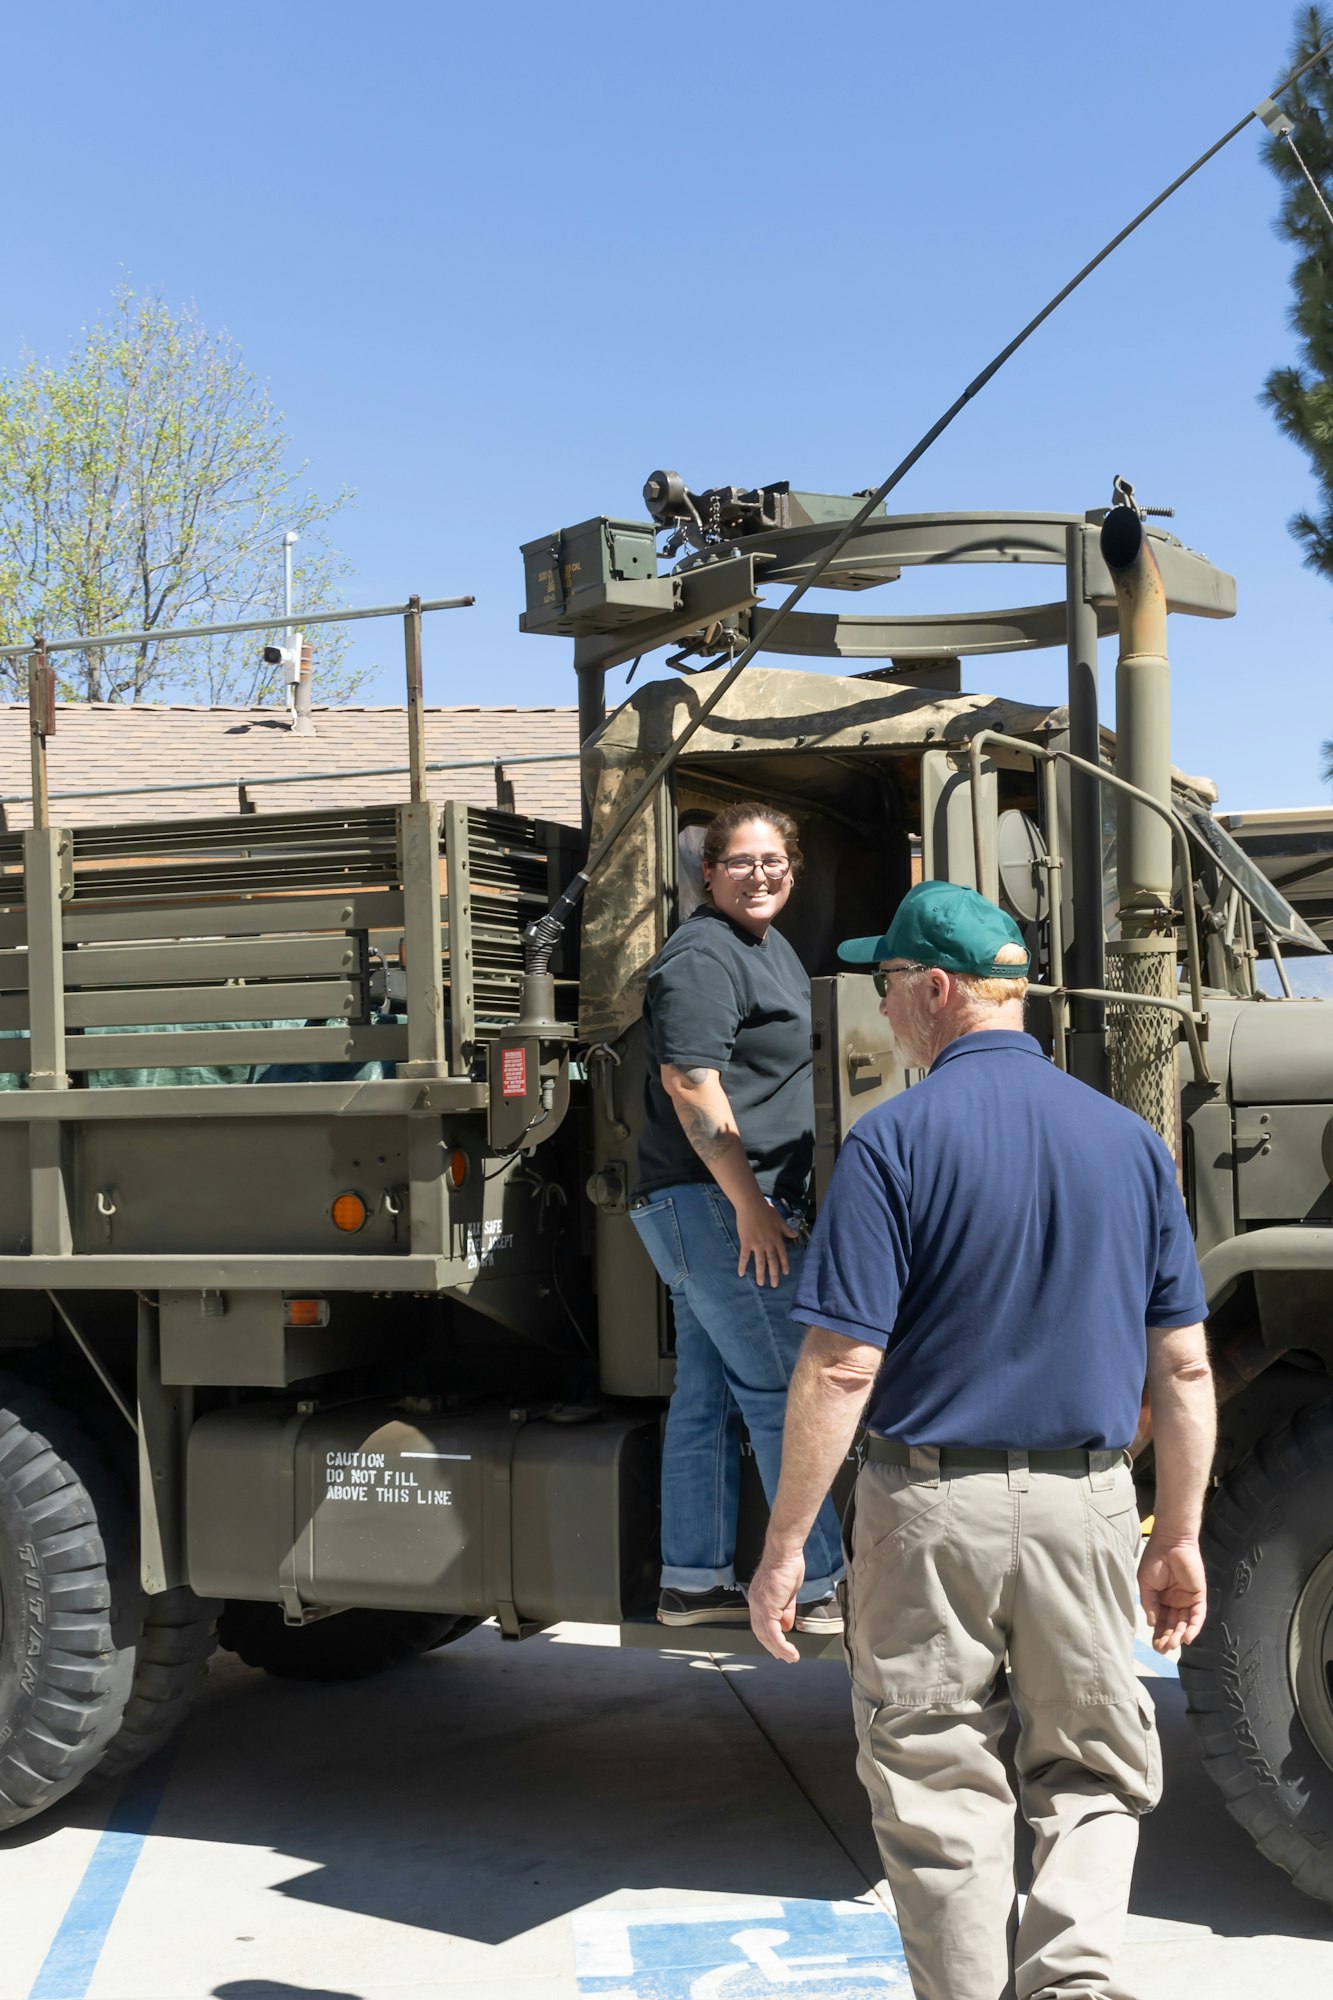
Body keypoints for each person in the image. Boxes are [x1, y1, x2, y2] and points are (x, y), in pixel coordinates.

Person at [748, 879, 1215, 2000]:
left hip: (927, 1510)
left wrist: (783, 1548)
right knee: (1095, 1768)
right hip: (1090, 1503)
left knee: (937, 1779)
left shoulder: (890, 1142)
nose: (884, 1011)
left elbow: (842, 1363)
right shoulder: (1126, 1142)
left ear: (937, 989)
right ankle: (1075, 1985)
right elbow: (1186, 1364)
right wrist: (1179, 1531)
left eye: (888, 987)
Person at [630, 801, 844, 1632]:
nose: (760, 874)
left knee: (708, 1392)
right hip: (715, 1202)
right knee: (782, 1386)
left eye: (774, 860)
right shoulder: (702, 955)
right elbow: (690, 1082)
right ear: (708, 872)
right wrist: (750, 1206)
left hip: (717, 1203)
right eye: (741, 861)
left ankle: (692, 1580)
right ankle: (822, 1585)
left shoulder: (768, 946)